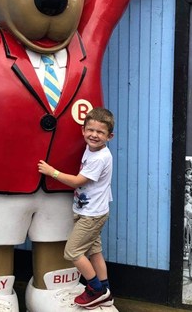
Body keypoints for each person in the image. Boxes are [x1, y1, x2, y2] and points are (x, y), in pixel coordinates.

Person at [38, 107, 115, 309]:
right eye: (90, 130)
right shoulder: (91, 149)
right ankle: (105, 291)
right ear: (83, 130)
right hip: (90, 210)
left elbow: (77, 181)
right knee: (95, 251)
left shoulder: (100, 158)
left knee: (72, 252)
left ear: (110, 136)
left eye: (100, 132)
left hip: (91, 215)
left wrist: (51, 172)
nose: (94, 135)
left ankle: (95, 289)